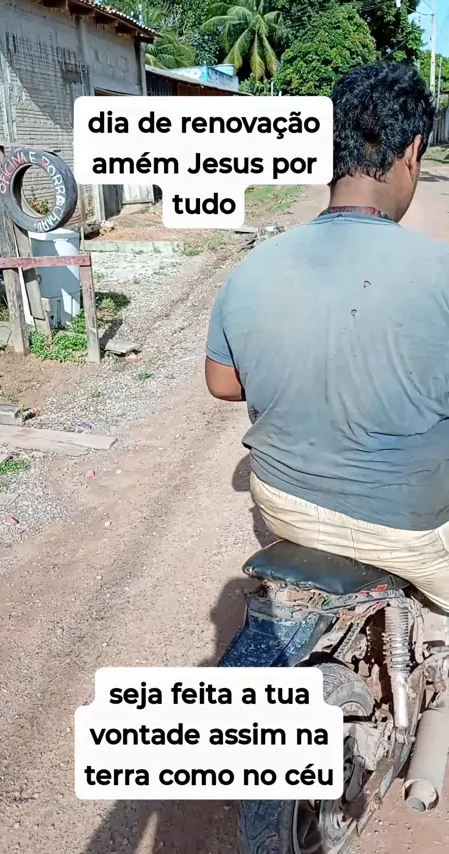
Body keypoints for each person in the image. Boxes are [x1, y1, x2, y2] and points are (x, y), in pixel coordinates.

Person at [204, 61, 449, 621]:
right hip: (408, 524)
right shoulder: (441, 269)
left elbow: (222, 383)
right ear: (413, 152)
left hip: (284, 505)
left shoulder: (253, 266)